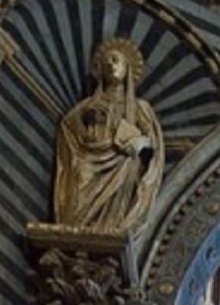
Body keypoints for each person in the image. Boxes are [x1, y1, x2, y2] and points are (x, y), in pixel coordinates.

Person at [52, 38, 165, 233]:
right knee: (80, 177)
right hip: (89, 157)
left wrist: (138, 142)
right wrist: (85, 121)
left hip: (121, 162)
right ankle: (75, 228)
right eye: (106, 63)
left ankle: (111, 228)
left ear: (127, 68)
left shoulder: (139, 107)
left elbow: (151, 142)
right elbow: (68, 127)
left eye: (115, 61)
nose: (110, 66)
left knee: (128, 168)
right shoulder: (89, 104)